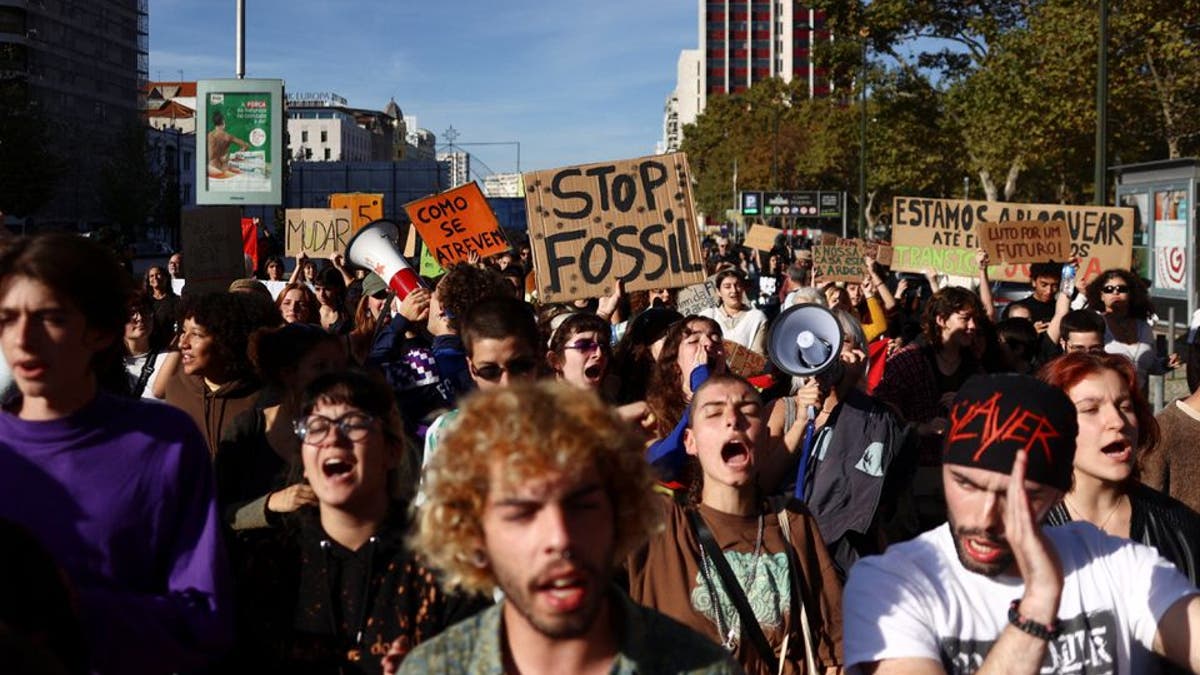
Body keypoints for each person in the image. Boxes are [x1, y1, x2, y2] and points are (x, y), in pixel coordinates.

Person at [843, 373, 1200, 674]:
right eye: (967, 484)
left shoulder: (1118, 564)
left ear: (1059, 494)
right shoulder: (893, 582)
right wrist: (1037, 606)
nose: (985, 519)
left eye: (1021, 496)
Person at [0, 233, 230, 673]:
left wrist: (70, 609)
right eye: (7, 318)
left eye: (50, 318)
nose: (23, 341)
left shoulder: (163, 442)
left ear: (102, 330)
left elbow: (204, 621)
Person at [398, 381, 741, 674]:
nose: (559, 537)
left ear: (620, 515)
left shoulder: (702, 667)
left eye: (581, 506)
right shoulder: (433, 668)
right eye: (522, 512)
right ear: (475, 534)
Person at [234, 370, 482, 673]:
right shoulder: (272, 565)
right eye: (317, 427)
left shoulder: (444, 561)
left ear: (392, 451)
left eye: (353, 425)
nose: (333, 439)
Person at [627, 375, 844, 674]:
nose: (733, 420)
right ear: (690, 441)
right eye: (714, 412)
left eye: (749, 412)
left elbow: (833, 653)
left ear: (764, 438)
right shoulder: (661, 526)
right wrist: (606, 424)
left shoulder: (793, 521)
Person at [1040, 351, 1200, 586]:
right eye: (1090, 410)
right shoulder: (1024, 525)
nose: (1117, 421)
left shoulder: (1179, 528)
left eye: (1125, 406)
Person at [216, 322, 347, 531]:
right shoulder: (250, 428)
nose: (334, 376)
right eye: (321, 366)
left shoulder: (351, 430)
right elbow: (216, 511)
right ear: (288, 373)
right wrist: (269, 504)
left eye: (338, 366)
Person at [164, 291, 277, 455]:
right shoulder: (176, 389)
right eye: (183, 331)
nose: (183, 343)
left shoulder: (265, 396)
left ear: (226, 340)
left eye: (196, 334)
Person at [1085, 268, 1179, 392]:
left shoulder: (1144, 326)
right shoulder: (1095, 324)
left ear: (1131, 294)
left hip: (1137, 402)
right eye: (1108, 289)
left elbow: (1148, 366)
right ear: (1101, 296)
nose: (1115, 292)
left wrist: (1165, 364)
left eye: (1122, 289)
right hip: (1106, 397)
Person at [700, 269, 768, 354]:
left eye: (738, 285)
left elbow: (758, 354)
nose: (734, 290)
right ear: (718, 292)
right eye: (727, 287)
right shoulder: (707, 316)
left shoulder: (757, 317)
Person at [123, 293, 170, 399]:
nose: (140, 318)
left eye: (145, 311)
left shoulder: (167, 359)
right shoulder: (109, 364)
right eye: (132, 313)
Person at [1005, 261, 1062, 329]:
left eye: (1054, 286)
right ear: (1033, 282)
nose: (1049, 291)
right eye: (1044, 285)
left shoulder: (1062, 310)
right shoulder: (1016, 309)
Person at [207, 109, 251, 178]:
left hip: (212, 168)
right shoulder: (228, 137)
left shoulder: (209, 136)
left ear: (215, 123)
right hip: (224, 168)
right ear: (223, 123)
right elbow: (246, 146)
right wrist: (237, 154)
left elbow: (210, 155)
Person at [145, 264, 179, 350]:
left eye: (158, 274)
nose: (155, 277)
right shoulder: (144, 300)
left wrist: (171, 346)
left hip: (167, 346)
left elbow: (181, 326)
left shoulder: (175, 300)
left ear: (166, 278)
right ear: (148, 281)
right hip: (147, 346)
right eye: (151, 276)